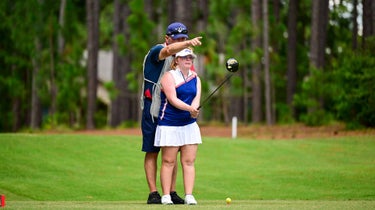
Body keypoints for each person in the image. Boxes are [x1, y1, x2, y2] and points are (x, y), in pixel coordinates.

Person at [141, 22, 202, 204]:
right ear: (167, 39)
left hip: (172, 111)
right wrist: (187, 43)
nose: (182, 42)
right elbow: (168, 52)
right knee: (152, 151)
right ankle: (153, 193)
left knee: (172, 152)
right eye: (177, 39)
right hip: (153, 108)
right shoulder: (158, 50)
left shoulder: (183, 59)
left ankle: (172, 191)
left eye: (184, 39)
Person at [154, 48, 202, 205]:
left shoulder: (196, 78)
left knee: (189, 161)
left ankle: (189, 195)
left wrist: (194, 110)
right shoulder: (169, 76)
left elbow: (196, 98)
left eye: (191, 57)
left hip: (188, 125)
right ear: (177, 60)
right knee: (168, 161)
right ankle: (166, 195)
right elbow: (172, 99)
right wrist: (190, 109)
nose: (188, 59)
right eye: (184, 57)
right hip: (169, 124)